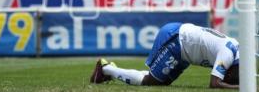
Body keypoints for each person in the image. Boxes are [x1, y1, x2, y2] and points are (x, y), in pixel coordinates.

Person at [90, 22, 239, 89]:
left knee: (162, 83)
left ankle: (110, 70)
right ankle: (105, 68)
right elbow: (214, 84)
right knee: (150, 81)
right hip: (176, 39)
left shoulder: (235, 53)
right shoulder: (228, 54)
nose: (228, 77)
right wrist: (242, 87)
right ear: (234, 69)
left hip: (185, 51)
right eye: (231, 77)